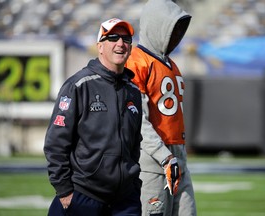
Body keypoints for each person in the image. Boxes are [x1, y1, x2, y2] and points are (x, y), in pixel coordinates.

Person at [44, 18, 143, 216]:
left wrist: (134, 185)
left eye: (126, 39)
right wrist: (64, 191)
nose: (120, 43)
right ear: (100, 46)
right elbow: (56, 142)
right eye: (113, 37)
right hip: (83, 196)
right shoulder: (79, 85)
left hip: (125, 201)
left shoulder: (133, 91)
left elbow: (134, 145)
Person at [125, 0, 197, 215]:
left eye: (179, 30)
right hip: (153, 159)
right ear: (156, 25)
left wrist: (178, 155)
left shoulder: (171, 64)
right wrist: (163, 155)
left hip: (177, 155)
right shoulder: (136, 61)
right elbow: (137, 118)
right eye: (172, 29)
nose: (176, 36)